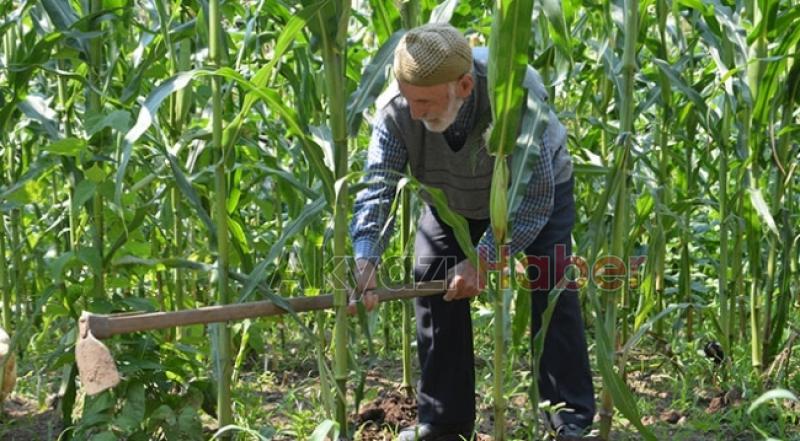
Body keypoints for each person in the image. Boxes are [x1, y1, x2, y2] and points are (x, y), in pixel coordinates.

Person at [349, 23, 595, 441]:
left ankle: (569, 420)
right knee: (431, 279)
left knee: (552, 286)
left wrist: (482, 259)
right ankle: (445, 421)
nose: (414, 112)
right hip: (449, 200)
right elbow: (378, 186)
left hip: (533, 192)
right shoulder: (396, 108)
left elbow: (532, 199)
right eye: (409, 100)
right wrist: (366, 257)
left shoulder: (517, 97)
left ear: (463, 86)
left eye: (424, 101)